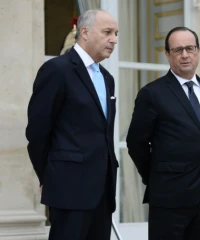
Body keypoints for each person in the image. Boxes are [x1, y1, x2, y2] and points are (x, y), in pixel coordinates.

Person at [26, 9, 119, 240]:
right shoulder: (57, 70)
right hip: (68, 191)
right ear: (84, 32)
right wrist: (51, 177)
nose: (114, 39)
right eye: (107, 32)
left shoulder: (107, 79)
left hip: (102, 193)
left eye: (116, 33)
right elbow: (37, 133)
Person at [126, 26, 200, 240]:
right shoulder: (152, 93)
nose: (185, 55)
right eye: (178, 50)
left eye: (190, 48)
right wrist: (157, 176)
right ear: (168, 55)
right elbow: (136, 143)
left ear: (198, 51)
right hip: (169, 198)